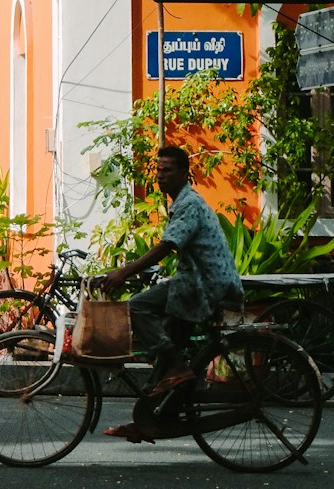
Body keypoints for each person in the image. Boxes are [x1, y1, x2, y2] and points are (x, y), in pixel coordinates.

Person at [97, 145, 244, 425]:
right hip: (196, 280)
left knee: (137, 307)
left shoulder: (188, 204)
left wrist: (124, 272)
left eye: (167, 170)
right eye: (158, 170)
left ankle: (176, 367)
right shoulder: (181, 202)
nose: (160, 176)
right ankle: (155, 416)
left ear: (183, 173)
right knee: (171, 339)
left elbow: (167, 246)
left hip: (203, 284)